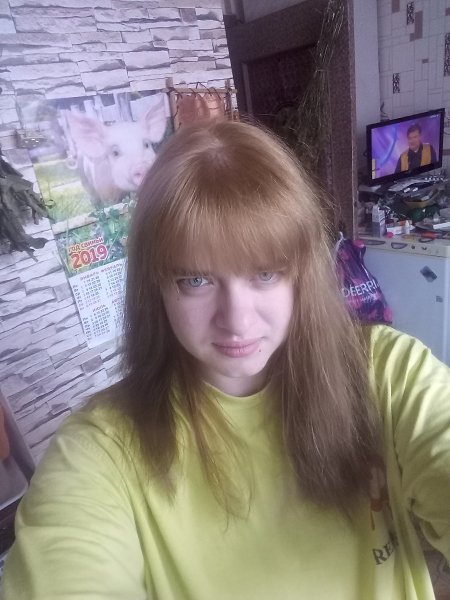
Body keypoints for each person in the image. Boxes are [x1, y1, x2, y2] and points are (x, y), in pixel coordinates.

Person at [2, 120, 450, 600]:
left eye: (265, 274)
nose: (237, 320)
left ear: (300, 274)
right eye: (195, 280)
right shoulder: (102, 449)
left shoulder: (389, 373)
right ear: (157, 287)